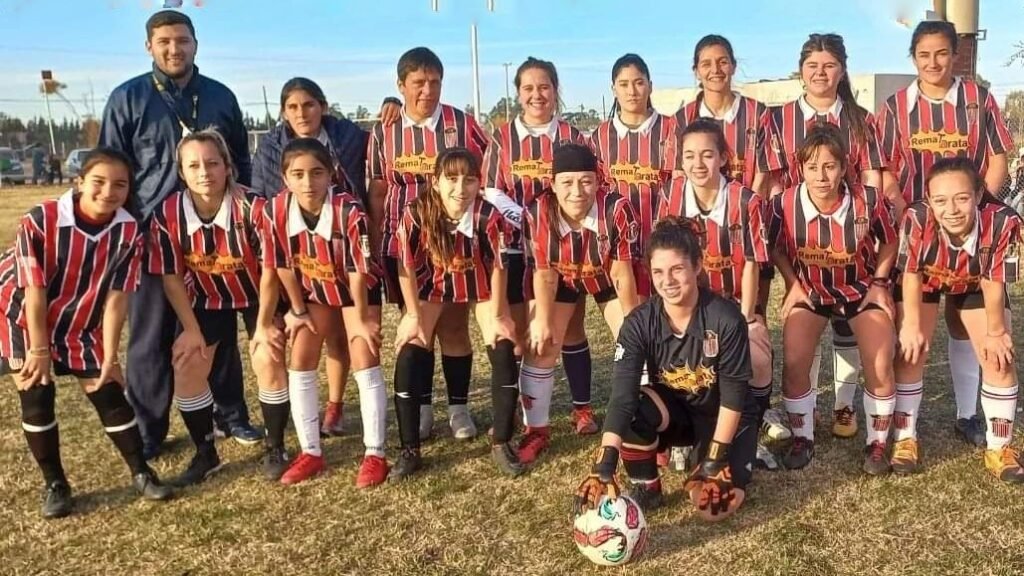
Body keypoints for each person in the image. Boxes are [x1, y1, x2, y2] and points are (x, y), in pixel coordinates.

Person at [99, 10, 261, 458]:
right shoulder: (128, 98)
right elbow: (112, 168)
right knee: (151, 336)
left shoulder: (220, 97)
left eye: (183, 40)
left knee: (217, 329)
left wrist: (242, 217)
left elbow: (240, 165)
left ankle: (231, 416)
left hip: (215, 233)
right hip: (152, 234)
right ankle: (149, 429)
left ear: (196, 43)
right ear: (149, 46)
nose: (175, 49)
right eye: (165, 41)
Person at [0, 148, 172, 519]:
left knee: (109, 393)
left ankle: (141, 472)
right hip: (24, 318)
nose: (108, 191)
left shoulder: (128, 230)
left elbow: (116, 298)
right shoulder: (41, 219)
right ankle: (56, 484)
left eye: (120, 185)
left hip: (81, 321)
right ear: (79, 182)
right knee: (36, 395)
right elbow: (34, 290)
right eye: (99, 181)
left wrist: (110, 356)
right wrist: (40, 349)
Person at [877, 20, 1016, 447]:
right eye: (923, 54)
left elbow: (997, 158)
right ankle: (905, 434)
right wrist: (907, 213)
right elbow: (885, 171)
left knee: (969, 326)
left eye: (941, 53)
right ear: (913, 57)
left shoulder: (977, 99)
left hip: (970, 230)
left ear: (955, 54)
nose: (933, 62)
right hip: (921, 234)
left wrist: (979, 206)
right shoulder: (896, 106)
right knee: (913, 335)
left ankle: (967, 414)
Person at [573, 216, 757, 519]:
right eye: (658, 272)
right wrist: (604, 462)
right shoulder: (638, 323)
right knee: (635, 409)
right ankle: (647, 485)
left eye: (677, 269)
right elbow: (622, 397)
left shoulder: (726, 318)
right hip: (675, 411)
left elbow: (735, 396)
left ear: (697, 266)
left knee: (711, 510)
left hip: (722, 414)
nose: (667, 281)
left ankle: (723, 454)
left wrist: (715, 458)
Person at [250, 78, 397, 437]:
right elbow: (277, 262)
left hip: (347, 253)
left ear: (324, 107)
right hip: (306, 260)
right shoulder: (271, 152)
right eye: (293, 107)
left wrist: (395, 103)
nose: (302, 113)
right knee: (308, 344)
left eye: (310, 104)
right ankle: (311, 442)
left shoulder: (345, 135)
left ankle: (349, 421)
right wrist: (286, 312)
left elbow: (380, 143)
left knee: (353, 341)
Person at [761, 33, 887, 442]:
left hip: (850, 234)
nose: (820, 72)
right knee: (805, 324)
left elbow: (870, 176)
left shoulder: (858, 118)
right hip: (802, 234)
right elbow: (773, 180)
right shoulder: (778, 118)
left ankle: (844, 404)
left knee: (847, 327)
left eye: (829, 65)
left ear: (842, 70)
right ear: (801, 71)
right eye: (813, 65)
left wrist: (864, 215)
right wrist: (788, 218)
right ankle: (805, 410)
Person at [149, 129, 289, 486]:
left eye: (212, 163)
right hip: (208, 297)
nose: (204, 172)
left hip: (259, 293)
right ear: (181, 172)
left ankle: (276, 447)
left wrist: (262, 325)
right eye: (193, 165)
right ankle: (205, 452)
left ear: (228, 167)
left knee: (267, 354)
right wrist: (191, 329)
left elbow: (271, 270)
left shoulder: (254, 208)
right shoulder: (167, 214)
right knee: (187, 363)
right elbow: (171, 277)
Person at [367, 47, 489, 442]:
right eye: (418, 83)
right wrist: (375, 242)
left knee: (454, 326)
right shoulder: (384, 130)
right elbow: (378, 190)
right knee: (417, 325)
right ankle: (421, 407)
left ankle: (458, 408)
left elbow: (486, 175)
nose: (427, 90)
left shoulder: (461, 123)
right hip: (406, 246)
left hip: (453, 246)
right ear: (401, 86)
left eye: (434, 81)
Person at [768, 124, 898, 474]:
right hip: (811, 290)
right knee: (794, 361)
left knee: (881, 361)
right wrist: (792, 282)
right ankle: (803, 438)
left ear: (843, 167)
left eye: (829, 166)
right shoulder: (784, 203)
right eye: (812, 167)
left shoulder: (868, 200)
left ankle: (877, 443)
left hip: (859, 287)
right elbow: (775, 246)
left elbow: (890, 240)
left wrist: (880, 282)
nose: (821, 175)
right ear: (801, 169)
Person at [259, 138, 388, 487]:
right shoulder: (274, 211)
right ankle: (311, 452)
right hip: (315, 291)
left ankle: (375, 453)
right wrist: (297, 310)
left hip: (355, 290)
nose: (307, 182)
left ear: (330, 173)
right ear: (284, 177)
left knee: (364, 354)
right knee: (300, 356)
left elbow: (358, 270)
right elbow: (281, 264)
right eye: (297, 174)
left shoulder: (349, 211)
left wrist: (360, 319)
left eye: (316, 173)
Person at [481, 57, 598, 435]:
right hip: (514, 246)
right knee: (523, 330)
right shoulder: (501, 137)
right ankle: (516, 405)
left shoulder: (572, 136)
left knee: (572, 327)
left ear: (555, 90)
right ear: (518, 94)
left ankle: (582, 408)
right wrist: (524, 218)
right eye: (529, 88)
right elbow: (490, 188)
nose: (537, 95)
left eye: (544, 87)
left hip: (563, 249)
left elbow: (588, 187)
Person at [390, 147, 522, 479]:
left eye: (469, 179)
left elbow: (497, 266)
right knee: (410, 350)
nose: (460, 188)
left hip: (478, 286)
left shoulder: (487, 216)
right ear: (435, 182)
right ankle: (409, 450)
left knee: (503, 344)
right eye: (451, 179)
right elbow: (404, 264)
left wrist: (501, 312)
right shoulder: (416, 213)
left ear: (479, 183)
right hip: (431, 287)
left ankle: (501, 442)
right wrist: (411, 315)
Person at [895, 157, 1023, 480]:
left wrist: (995, 331)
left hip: (976, 280)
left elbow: (995, 281)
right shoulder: (916, 217)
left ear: (979, 195)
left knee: (998, 357)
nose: (950, 209)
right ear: (928, 200)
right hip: (925, 279)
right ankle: (905, 437)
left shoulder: (1003, 222)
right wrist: (910, 325)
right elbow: (910, 273)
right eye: (940, 200)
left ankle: (999, 448)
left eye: (961, 198)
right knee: (911, 349)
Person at [658, 119, 774, 468]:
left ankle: (750, 433)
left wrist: (747, 318)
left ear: (723, 158)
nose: (698, 163)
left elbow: (753, 263)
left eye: (707, 154)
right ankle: (684, 434)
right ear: (680, 160)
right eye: (690, 155)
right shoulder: (672, 196)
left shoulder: (746, 200)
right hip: (689, 306)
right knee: (675, 359)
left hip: (734, 304)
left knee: (756, 357)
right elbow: (666, 261)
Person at [519, 143, 639, 465]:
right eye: (567, 182)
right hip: (561, 278)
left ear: (597, 181)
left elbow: (622, 272)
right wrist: (542, 320)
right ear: (553, 184)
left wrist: (632, 322)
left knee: (637, 344)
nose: (577, 191)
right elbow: (544, 274)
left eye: (586, 181)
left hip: (604, 275)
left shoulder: (616, 209)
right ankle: (537, 430)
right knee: (540, 344)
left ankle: (645, 424)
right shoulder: (538, 212)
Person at [591, 53, 678, 303]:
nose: (632, 91)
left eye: (639, 82)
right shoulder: (600, 137)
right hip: (620, 250)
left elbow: (680, 187)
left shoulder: (672, 129)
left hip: (664, 242)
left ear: (650, 85)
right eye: (624, 84)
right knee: (635, 321)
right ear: (613, 89)